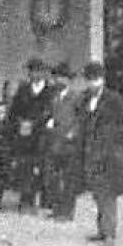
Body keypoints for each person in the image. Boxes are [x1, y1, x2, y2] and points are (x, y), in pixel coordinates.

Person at [76, 60, 123, 246]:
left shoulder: (114, 100)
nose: (92, 83)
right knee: (97, 194)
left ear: (102, 80)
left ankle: (109, 235)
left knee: (107, 195)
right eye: (89, 80)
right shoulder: (84, 100)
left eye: (96, 79)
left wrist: (115, 145)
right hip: (90, 155)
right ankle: (102, 229)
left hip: (109, 156)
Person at [8, 57, 55, 211]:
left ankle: (45, 199)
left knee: (43, 165)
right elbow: (14, 111)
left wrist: (36, 123)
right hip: (25, 134)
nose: (35, 74)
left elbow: (50, 112)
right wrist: (21, 122)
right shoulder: (23, 90)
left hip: (42, 132)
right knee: (25, 166)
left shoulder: (50, 91)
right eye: (32, 71)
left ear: (43, 73)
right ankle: (26, 199)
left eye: (38, 71)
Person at [45, 63, 81, 221]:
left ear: (68, 80)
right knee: (53, 177)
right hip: (55, 141)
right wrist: (50, 122)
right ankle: (57, 208)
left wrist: (73, 133)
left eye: (61, 77)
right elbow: (52, 115)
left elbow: (81, 119)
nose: (58, 80)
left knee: (68, 179)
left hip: (69, 144)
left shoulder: (76, 97)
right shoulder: (54, 97)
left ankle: (67, 211)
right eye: (56, 77)